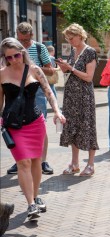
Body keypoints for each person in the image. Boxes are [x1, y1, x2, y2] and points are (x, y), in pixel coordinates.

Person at [0, 37, 65, 219]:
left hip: (35, 122)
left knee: (36, 161)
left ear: (23, 52)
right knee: (23, 162)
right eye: (9, 58)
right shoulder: (2, 74)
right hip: (13, 125)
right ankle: (30, 204)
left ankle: (35, 198)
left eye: (16, 55)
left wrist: (57, 112)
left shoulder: (35, 70)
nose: (13, 60)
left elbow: (48, 92)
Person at [7, 22, 55, 175]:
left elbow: (51, 71)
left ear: (32, 36)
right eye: (21, 40)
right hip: (16, 93)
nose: (24, 44)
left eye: (27, 40)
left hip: (37, 92)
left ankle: (42, 162)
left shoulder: (40, 48)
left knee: (39, 126)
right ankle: (20, 160)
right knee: (17, 127)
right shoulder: (12, 49)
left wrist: (34, 69)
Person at [56, 23, 99, 176]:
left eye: (71, 38)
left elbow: (88, 77)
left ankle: (90, 164)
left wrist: (71, 68)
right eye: (68, 39)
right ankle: (74, 163)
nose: (70, 41)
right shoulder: (73, 51)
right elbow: (68, 74)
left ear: (80, 36)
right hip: (70, 96)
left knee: (87, 127)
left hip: (84, 96)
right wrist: (63, 67)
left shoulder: (90, 52)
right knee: (72, 127)